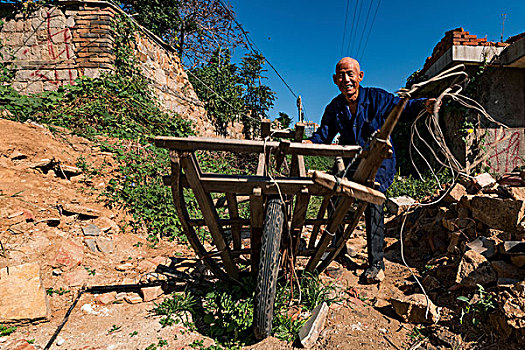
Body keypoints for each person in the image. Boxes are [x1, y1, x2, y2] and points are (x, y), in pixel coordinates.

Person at [304, 57, 438, 283]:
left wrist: (425, 103)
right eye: (341, 75)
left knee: (372, 200)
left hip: (380, 163)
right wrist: (311, 143)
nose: (346, 79)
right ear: (335, 80)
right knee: (334, 194)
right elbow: (323, 135)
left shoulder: (377, 98)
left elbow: (403, 107)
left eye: (350, 74)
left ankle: (376, 263)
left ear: (359, 77)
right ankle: (338, 248)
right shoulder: (335, 108)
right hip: (352, 163)